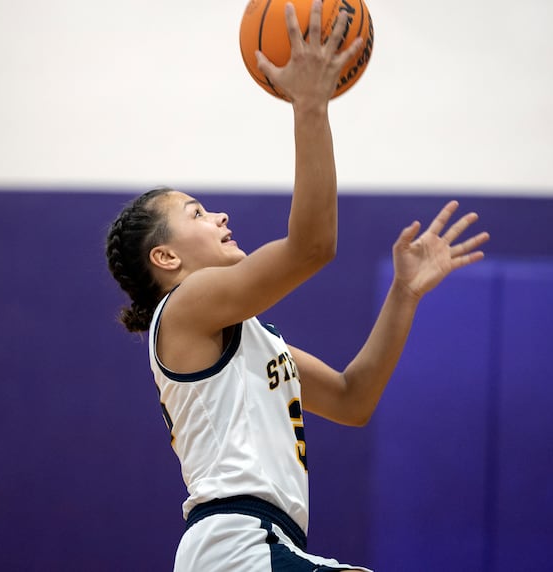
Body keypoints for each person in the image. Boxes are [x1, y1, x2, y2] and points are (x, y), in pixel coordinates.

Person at [105, 1, 489, 570]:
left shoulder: (249, 339)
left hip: (262, 546)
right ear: (166, 257)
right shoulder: (183, 308)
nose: (219, 217)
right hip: (238, 545)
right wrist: (310, 105)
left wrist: (403, 295)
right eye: (197, 213)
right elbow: (311, 246)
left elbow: (353, 399)